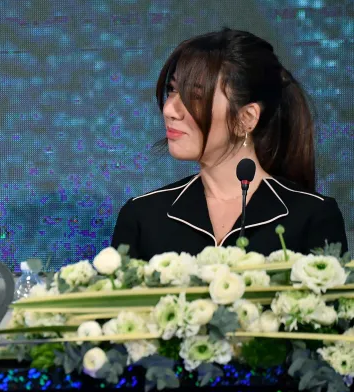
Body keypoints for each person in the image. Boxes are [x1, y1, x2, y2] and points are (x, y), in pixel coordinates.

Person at [111, 28, 349, 261]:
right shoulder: (143, 216)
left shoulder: (312, 216)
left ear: (246, 118)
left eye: (195, 96)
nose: (169, 110)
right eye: (172, 90)